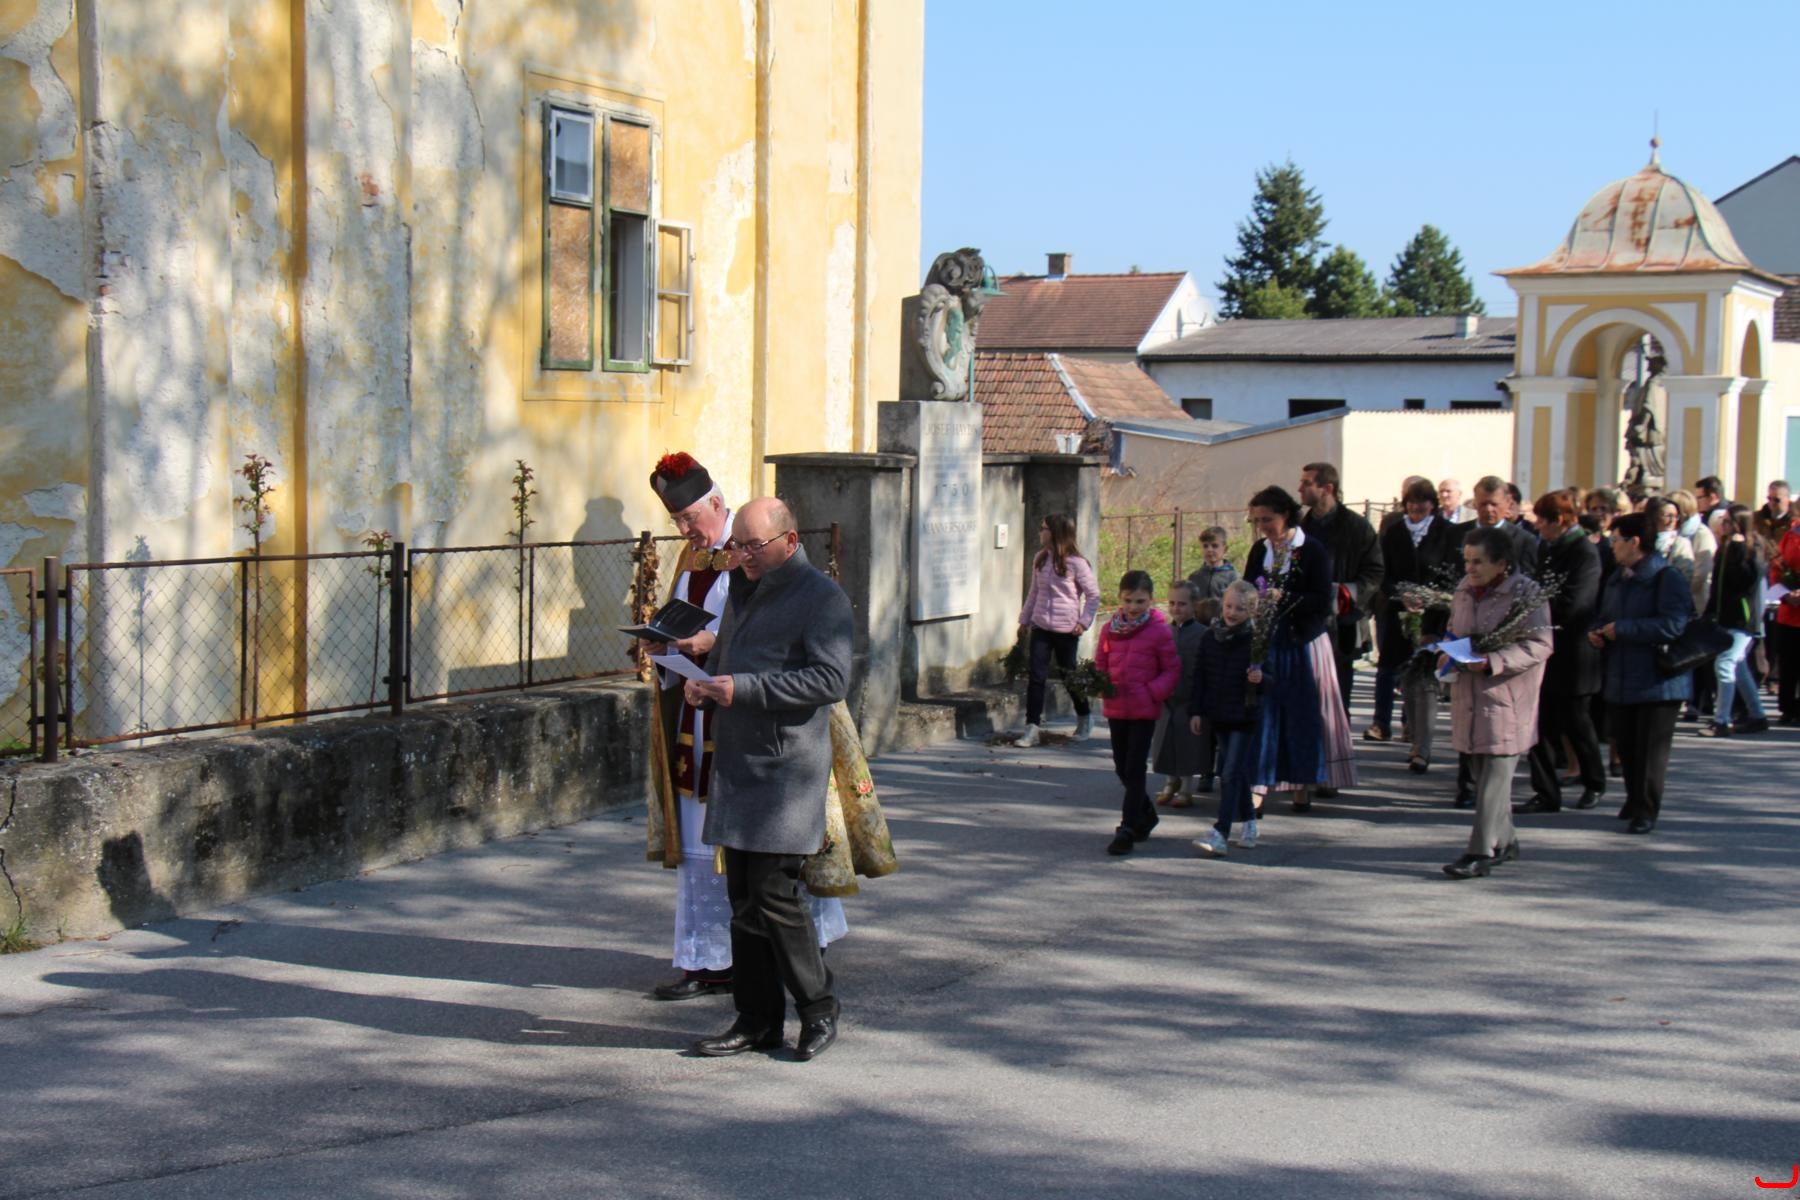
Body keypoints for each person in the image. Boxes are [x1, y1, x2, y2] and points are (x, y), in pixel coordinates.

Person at [642, 455, 848, 1003]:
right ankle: (712, 963)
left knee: (774, 870)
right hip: (706, 718)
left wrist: (714, 651)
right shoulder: (693, 560)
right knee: (722, 862)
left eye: (689, 517)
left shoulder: (770, 561)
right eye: (676, 520)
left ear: (716, 503)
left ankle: (808, 974)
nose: (685, 530)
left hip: (771, 733)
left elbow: (802, 656)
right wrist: (671, 653)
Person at [688, 498, 853, 1061]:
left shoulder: (821, 598)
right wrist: (706, 682)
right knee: (742, 901)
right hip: (739, 765)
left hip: (787, 771)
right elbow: (730, 656)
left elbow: (830, 679)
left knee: (774, 895)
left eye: (754, 546)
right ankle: (756, 1019)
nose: (743, 555)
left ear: (790, 540)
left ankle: (819, 1008)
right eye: (738, 545)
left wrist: (743, 689)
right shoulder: (742, 588)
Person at [1440, 525, 1553, 879]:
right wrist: (1447, 653)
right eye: (1467, 561)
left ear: (1502, 563)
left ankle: (1479, 852)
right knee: (1482, 772)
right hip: (1469, 695)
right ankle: (1505, 841)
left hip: (1506, 698)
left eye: (1478, 562)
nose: (1470, 569)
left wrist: (1493, 660)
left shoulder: (1527, 593)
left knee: (1493, 778)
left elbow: (1540, 644)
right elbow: (1454, 629)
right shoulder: (1464, 589)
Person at [1244, 484, 1356, 811]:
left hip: (1304, 643)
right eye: (1257, 520)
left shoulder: (1312, 550)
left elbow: (1322, 601)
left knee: (1304, 715)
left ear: (1286, 515)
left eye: (1267, 519)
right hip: (1268, 641)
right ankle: (1260, 784)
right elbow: (1249, 586)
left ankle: (1303, 783)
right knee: (1267, 714)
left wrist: (1286, 598)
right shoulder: (1260, 550)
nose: (1262, 526)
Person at [1589, 512, 1693, 836]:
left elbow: (1674, 625)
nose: (1612, 546)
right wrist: (1598, 631)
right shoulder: (1618, 576)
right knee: (1627, 745)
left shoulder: (1666, 577)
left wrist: (1623, 629)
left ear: (1635, 542)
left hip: (1658, 680)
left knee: (1650, 750)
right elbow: (1603, 614)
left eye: (1616, 540)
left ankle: (1647, 809)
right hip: (1622, 675)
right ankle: (1634, 799)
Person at [1520, 490, 1605, 812]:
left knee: (1577, 723)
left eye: (1542, 521)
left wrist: (1535, 606)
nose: (1538, 527)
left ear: (1559, 521)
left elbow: (1577, 604)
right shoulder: (1547, 547)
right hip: (1544, 649)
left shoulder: (1584, 551)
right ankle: (1546, 791)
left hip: (1574, 653)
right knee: (1538, 725)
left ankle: (1594, 782)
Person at [1369, 476, 1458, 774]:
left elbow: (1451, 573)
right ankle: (1396, 726)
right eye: (1411, 502)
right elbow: (1383, 572)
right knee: (1400, 672)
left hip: (1434, 614)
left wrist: (1431, 599)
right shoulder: (1394, 532)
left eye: (1422, 502)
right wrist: (1401, 595)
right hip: (1398, 612)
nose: (1416, 507)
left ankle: (1421, 745)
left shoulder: (1446, 532)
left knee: (1425, 675)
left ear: (1432, 504)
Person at [1098, 571, 1180, 855]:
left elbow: (1171, 670)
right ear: (1120, 598)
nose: (1133, 607)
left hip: (1143, 709)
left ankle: (1127, 828)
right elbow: (1101, 663)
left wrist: (1151, 692)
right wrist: (1100, 684)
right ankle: (1147, 814)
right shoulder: (1109, 629)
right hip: (1116, 707)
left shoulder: (1159, 631)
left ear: (1151, 600)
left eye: (1140, 601)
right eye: (1128, 600)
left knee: (1134, 768)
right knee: (1122, 767)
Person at [1299, 462, 1385, 721]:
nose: (1300, 488)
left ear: (1327, 488)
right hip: (1306, 622)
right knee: (1307, 698)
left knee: (1337, 699)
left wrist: (1344, 594)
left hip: (1342, 624)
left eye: (1307, 483)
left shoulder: (1357, 528)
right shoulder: (1300, 528)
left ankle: (1338, 744)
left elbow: (1375, 572)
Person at [1188, 580, 1260, 856]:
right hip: (1219, 714)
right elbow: (1200, 676)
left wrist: (1261, 678)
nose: (1232, 612)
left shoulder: (1256, 640)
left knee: (1228, 773)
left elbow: (1275, 679)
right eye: (1228, 606)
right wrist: (1196, 711)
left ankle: (1221, 832)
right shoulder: (1211, 637)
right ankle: (1250, 823)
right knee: (1236, 772)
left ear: (1251, 611)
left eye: (1240, 609)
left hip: (1245, 716)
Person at [1016, 513, 1100, 748]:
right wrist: (1024, 620)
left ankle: (1084, 716)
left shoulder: (1077, 563)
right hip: (1041, 625)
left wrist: (1083, 622)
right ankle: (1032, 727)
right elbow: (1034, 592)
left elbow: (1093, 595)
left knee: (1068, 675)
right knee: (1036, 677)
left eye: (1044, 528)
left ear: (1055, 533)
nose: (1040, 532)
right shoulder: (1040, 558)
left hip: (1067, 629)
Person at [1699, 504, 1771, 738]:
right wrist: (1710, 613)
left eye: (1728, 521)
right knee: (1737, 665)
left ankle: (1722, 720)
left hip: (1743, 619)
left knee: (1725, 663)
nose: (1723, 525)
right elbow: (1718, 586)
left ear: (1739, 524)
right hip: (1725, 616)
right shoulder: (1724, 548)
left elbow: (1748, 581)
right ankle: (1757, 715)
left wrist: (1738, 548)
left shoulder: (1750, 549)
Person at [1152, 581, 1208, 808]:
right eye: (1172, 603)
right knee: (1165, 741)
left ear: (1195, 605)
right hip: (1166, 698)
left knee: (1188, 744)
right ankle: (1170, 781)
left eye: (1182, 604)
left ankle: (1186, 786)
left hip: (1190, 698)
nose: (1176, 608)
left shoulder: (1204, 634)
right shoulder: (1163, 632)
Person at [1770, 517, 1800, 726]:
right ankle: (1788, 707)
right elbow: (1776, 569)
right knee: (1788, 664)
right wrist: (1785, 594)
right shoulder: (1791, 535)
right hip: (1789, 613)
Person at [1186, 526, 1239, 601]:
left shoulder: (1233, 578)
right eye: (1205, 546)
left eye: (1214, 546)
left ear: (1225, 549)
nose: (1209, 550)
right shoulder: (1194, 577)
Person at [1757, 480, 1794, 545]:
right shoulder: (1756, 519)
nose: (1772, 503)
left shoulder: (1795, 524)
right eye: (1769, 498)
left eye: (1777, 500)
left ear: (1787, 499)